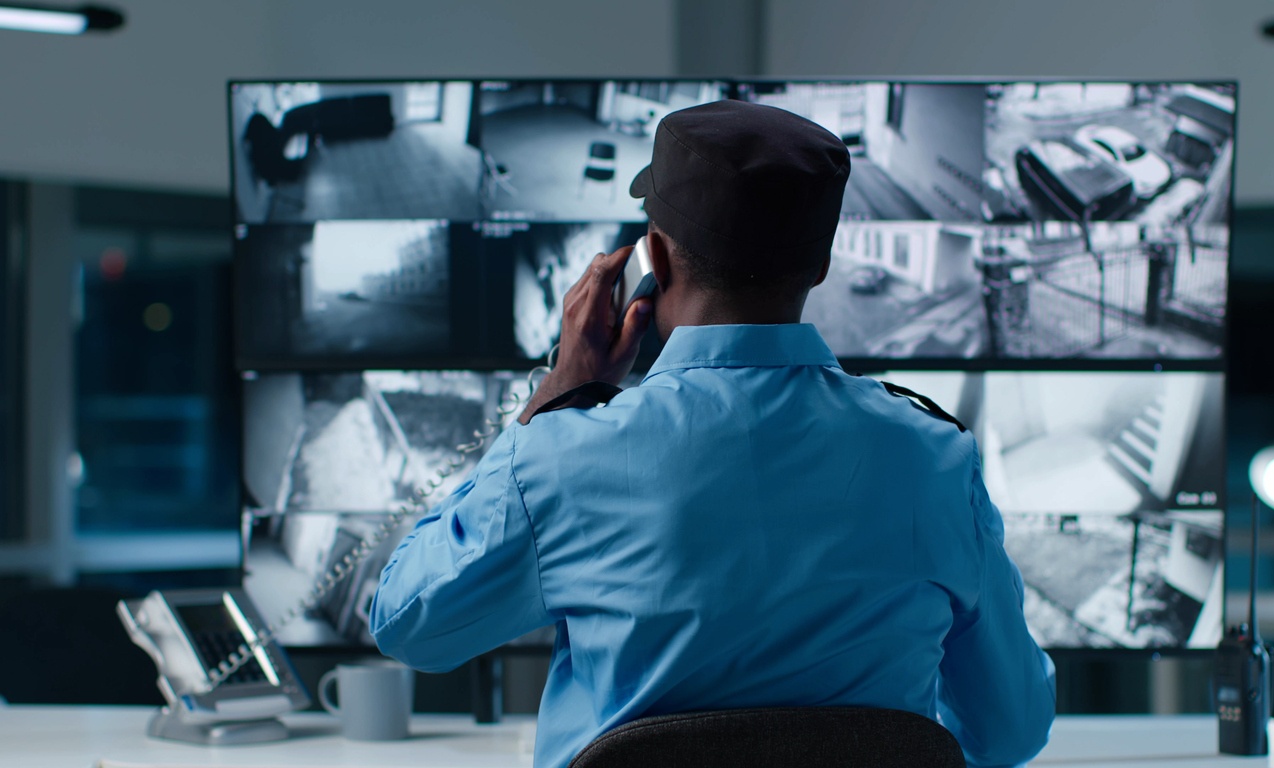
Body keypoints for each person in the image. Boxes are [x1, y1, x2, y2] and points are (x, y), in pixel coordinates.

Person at [370, 100, 1055, 768]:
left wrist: (555, 394)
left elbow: (410, 628)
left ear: (653, 261)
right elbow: (1009, 732)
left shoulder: (565, 454)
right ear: (818, 267)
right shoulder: (936, 459)